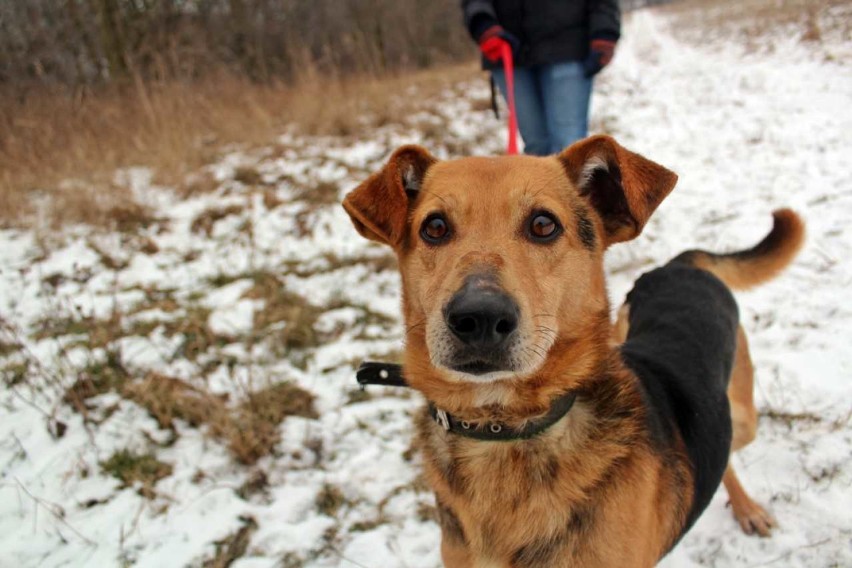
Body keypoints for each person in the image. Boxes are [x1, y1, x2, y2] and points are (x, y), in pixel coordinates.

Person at [461, 0, 621, 155]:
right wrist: (481, 22)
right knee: (535, 146)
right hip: (507, 47)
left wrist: (604, 31)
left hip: (569, 46)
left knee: (569, 145)